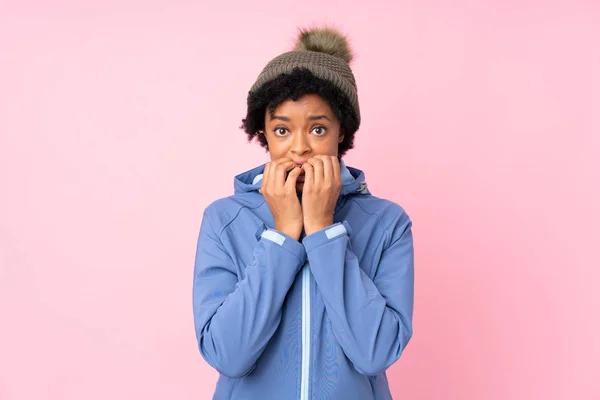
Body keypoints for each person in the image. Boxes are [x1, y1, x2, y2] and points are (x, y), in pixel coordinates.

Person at [193, 26, 415, 400]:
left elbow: (375, 353)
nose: (299, 147)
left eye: (317, 128)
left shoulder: (388, 223)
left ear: (341, 131)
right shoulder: (223, 219)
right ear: (262, 132)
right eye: (282, 130)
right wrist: (281, 236)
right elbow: (227, 357)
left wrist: (323, 231)